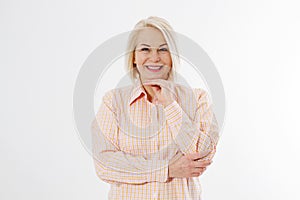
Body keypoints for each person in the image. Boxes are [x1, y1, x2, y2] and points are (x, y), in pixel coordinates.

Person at [91, 16, 219, 199]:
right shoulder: (113, 102)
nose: (154, 57)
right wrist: (167, 169)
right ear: (134, 57)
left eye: (163, 49)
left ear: (172, 56)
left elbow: (199, 155)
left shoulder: (198, 99)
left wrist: (170, 104)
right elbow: (105, 165)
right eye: (145, 49)